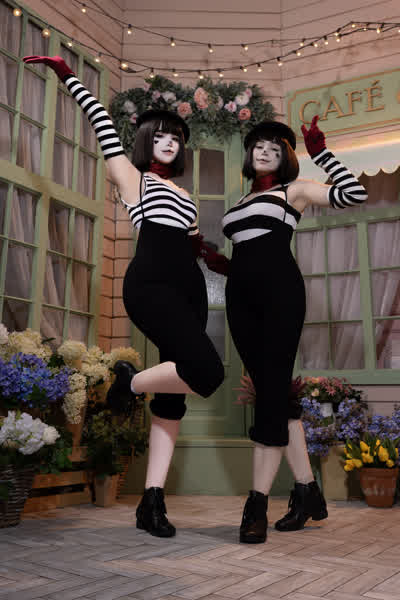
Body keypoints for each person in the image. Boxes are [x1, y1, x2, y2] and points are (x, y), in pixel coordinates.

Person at [23, 54, 228, 538]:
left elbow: (193, 244)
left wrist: (219, 260)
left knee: (173, 400)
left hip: (190, 289)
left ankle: (151, 502)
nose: (169, 143)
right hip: (150, 284)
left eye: (176, 138)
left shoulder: (186, 195)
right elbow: (101, 124)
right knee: (207, 372)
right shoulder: (131, 178)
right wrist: (70, 77)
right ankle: (130, 382)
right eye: (160, 137)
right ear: (145, 141)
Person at [222, 116, 367, 543]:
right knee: (277, 396)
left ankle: (256, 505)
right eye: (259, 146)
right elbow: (246, 251)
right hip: (240, 301)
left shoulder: (294, 191)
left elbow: (353, 193)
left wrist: (320, 152)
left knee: (270, 398)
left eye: (275, 147)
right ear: (249, 154)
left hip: (280, 297)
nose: (265, 152)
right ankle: (307, 493)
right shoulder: (242, 198)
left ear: (285, 156)